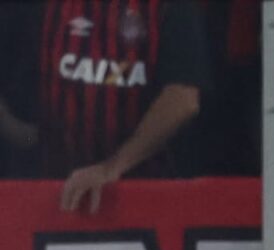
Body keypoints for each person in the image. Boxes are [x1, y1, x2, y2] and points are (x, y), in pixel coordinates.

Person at [0, 0, 210, 210]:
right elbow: (23, 123)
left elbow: (183, 99)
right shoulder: (42, 8)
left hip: (142, 196)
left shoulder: (169, 7)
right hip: (53, 194)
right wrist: (24, 138)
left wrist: (112, 167)